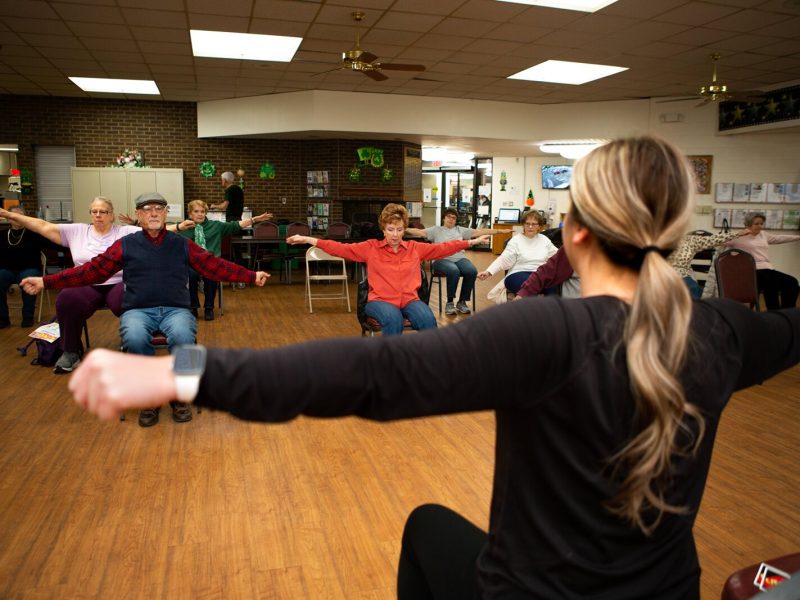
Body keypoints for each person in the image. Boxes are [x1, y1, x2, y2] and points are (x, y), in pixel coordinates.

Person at [68, 136, 799, 598]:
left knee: (425, 528)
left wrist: (180, 372)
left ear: (574, 233)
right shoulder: (720, 331)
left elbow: (368, 375)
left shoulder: (544, 332)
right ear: (670, 235)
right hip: (671, 590)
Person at [22, 192, 270, 427]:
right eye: (147, 209)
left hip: (176, 309)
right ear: (138, 215)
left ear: (166, 213)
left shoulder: (182, 244)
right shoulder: (125, 244)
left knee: (185, 337)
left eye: (158, 209)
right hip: (138, 310)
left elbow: (214, 266)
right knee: (135, 337)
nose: (153, 213)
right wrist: (46, 281)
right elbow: (91, 271)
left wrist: (250, 276)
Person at [288, 203, 489, 335]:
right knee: (393, 320)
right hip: (380, 301)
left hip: (410, 300)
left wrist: (471, 242)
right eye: (390, 229)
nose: (395, 234)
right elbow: (340, 248)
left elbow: (443, 248)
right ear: (383, 229)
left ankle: (426, 366)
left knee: (428, 320)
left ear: (404, 230)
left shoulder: (414, 248)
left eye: (399, 230)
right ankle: (390, 368)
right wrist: (309, 239)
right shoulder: (370, 248)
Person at [0, 198, 142, 373]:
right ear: (90, 214)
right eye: (94, 211)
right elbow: (41, 225)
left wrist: (172, 223)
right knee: (66, 299)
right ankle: (71, 351)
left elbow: (157, 231)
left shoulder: (126, 231)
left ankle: (131, 342)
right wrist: (7, 214)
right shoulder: (77, 231)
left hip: (119, 282)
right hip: (85, 282)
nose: (98, 215)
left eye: (103, 211)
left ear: (111, 215)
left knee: (129, 299)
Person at [177, 200, 273, 321]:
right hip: (192, 263)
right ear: (190, 213)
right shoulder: (183, 228)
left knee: (211, 273)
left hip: (211, 262)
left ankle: (209, 308)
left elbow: (236, 225)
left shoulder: (216, 226)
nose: (200, 214)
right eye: (196, 211)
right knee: (191, 274)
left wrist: (254, 220)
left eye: (202, 211)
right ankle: (193, 307)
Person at [405, 208, 508, 315]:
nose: (451, 219)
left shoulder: (460, 230)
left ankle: (462, 302)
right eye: (449, 217)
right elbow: (420, 232)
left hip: (459, 258)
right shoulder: (436, 230)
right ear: (444, 218)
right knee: (454, 270)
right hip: (441, 259)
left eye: (453, 218)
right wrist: (403, 229)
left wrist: (499, 231)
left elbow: (479, 232)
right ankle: (450, 302)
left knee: (471, 271)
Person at [722, 212, 800, 309]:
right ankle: (774, 311)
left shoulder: (763, 235)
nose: (760, 226)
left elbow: (779, 238)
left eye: (761, 224)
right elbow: (717, 241)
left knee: (792, 282)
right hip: (751, 271)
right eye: (756, 224)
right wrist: (735, 235)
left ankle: (786, 312)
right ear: (748, 224)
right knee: (771, 283)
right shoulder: (738, 236)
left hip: (767, 270)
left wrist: (798, 237)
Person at [477, 210, 557, 300]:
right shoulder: (516, 240)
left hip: (539, 273)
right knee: (532, 284)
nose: (530, 227)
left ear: (539, 226)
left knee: (552, 285)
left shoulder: (544, 240)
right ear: (523, 225)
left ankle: (550, 308)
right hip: (518, 273)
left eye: (534, 224)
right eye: (527, 224)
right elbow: (504, 259)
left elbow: (557, 256)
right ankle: (530, 307)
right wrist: (488, 272)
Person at [0, 205, 49, 328]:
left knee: (28, 280)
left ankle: (27, 317)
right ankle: (3, 319)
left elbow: (52, 243)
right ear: (8, 218)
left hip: (30, 268)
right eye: (14, 216)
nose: (17, 219)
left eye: (20, 216)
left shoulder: (34, 233)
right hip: (7, 269)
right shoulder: (2, 234)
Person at [669, 229, 751, 298]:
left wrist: (737, 234)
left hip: (683, 276)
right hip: (665, 275)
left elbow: (713, 239)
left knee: (692, 289)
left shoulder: (689, 240)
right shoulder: (661, 240)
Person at [515, 246, 579, 299]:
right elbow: (546, 271)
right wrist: (524, 292)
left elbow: (555, 253)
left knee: (550, 289)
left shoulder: (545, 240)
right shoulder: (516, 241)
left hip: (537, 269)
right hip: (521, 271)